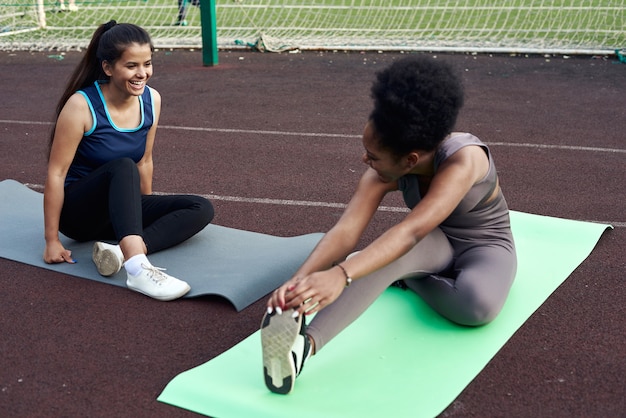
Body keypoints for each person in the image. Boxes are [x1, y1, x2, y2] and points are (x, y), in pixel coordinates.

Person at [260, 55, 517, 394]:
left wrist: (343, 274)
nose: (365, 160)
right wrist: (297, 283)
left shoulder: (464, 159)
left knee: (477, 307)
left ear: (411, 160)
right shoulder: (381, 172)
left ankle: (404, 277)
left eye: (373, 156)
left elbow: (411, 230)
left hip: (484, 245)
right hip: (433, 242)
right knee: (387, 255)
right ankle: (302, 348)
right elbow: (345, 231)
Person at [43, 20, 214, 301]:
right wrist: (52, 241)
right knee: (123, 165)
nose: (142, 73)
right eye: (131, 66)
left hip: (114, 213)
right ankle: (137, 269)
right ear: (108, 68)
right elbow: (56, 174)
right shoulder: (81, 106)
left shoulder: (152, 100)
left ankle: (120, 252)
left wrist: (138, 214)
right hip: (79, 214)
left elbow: (145, 161)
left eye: (147, 63)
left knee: (200, 207)